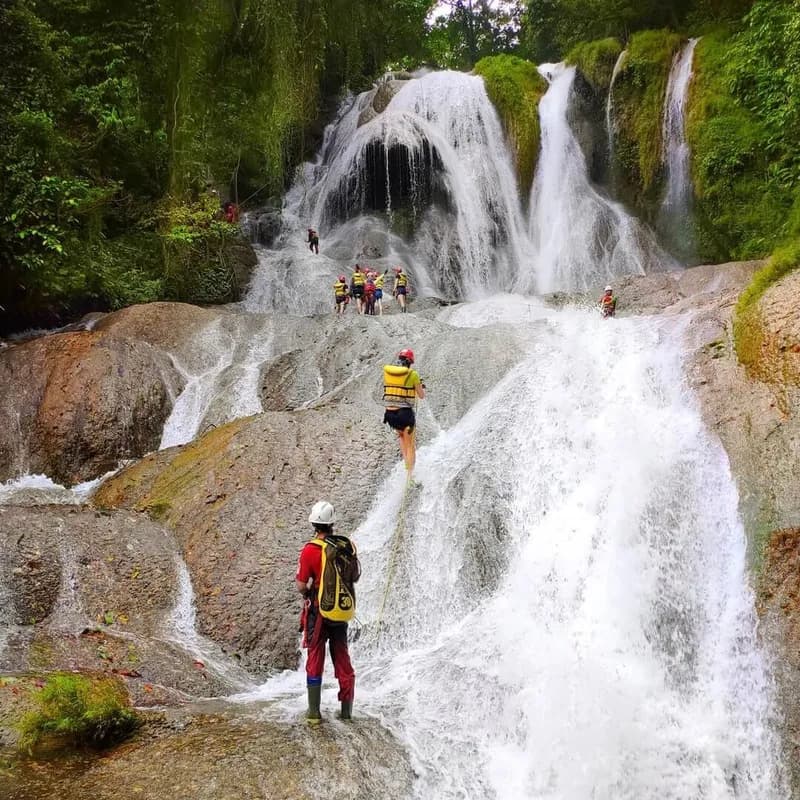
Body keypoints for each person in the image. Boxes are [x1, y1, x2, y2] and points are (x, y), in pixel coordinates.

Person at [296, 501, 357, 723]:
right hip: (340, 611)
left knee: (315, 656)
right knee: (342, 657)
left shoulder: (310, 550)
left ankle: (313, 713)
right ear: (332, 524)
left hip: (318, 612)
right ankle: (346, 712)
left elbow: (302, 585)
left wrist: (310, 591)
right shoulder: (345, 546)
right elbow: (355, 576)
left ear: (314, 524)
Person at [383, 348, 425, 473]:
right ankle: (410, 475)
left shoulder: (388, 373)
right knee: (410, 445)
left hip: (390, 414)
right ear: (410, 362)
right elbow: (421, 395)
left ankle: (406, 466)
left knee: (401, 437)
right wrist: (420, 386)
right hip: (405, 414)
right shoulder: (413, 374)